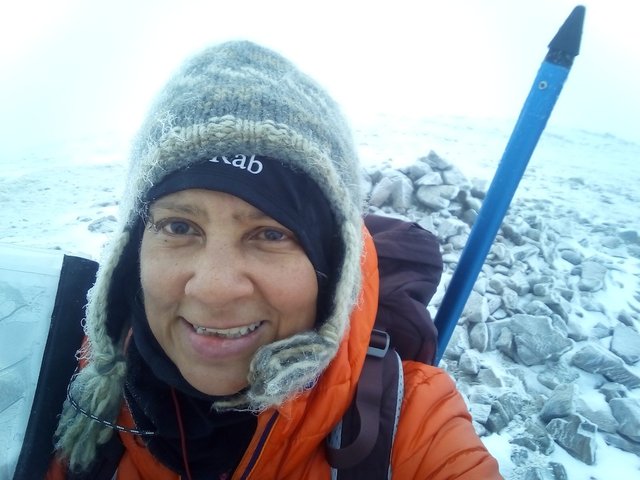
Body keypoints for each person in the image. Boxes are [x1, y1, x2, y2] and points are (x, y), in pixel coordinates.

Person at [46, 40, 501, 479]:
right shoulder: (56, 382)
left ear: (333, 264)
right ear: (132, 247)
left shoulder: (412, 426)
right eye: (179, 227)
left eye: (270, 233)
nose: (213, 288)